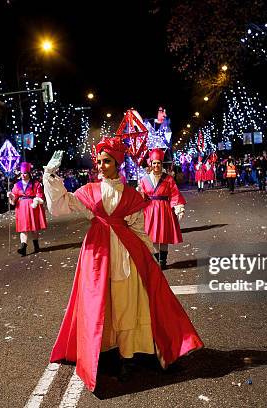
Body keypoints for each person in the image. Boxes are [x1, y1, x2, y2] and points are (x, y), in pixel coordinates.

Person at [43, 139, 203, 391]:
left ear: (117, 164)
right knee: (101, 302)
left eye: (107, 161)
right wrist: (50, 175)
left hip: (127, 254)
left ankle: (128, 355)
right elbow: (61, 205)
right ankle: (103, 350)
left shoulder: (131, 195)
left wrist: (148, 256)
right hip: (96, 255)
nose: (101, 166)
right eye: (99, 161)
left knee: (127, 304)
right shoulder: (89, 191)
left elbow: (138, 228)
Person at [138, 148, 186, 269]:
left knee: (163, 236)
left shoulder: (169, 179)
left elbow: (175, 194)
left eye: (158, 163)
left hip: (164, 210)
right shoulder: (143, 180)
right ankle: (156, 260)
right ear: (151, 164)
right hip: (150, 210)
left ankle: (163, 261)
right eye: (154, 163)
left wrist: (178, 207)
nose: (156, 165)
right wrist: (139, 193)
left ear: (161, 164)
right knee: (152, 236)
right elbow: (141, 197)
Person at [8, 162, 47, 256]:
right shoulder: (17, 185)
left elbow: (40, 196)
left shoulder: (36, 184)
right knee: (23, 228)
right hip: (21, 207)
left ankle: (36, 245)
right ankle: (23, 248)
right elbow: (14, 198)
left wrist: (36, 201)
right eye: (21, 173)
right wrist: (10, 196)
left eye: (25, 173)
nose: (23, 175)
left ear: (29, 173)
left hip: (32, 206)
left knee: (34, 228)